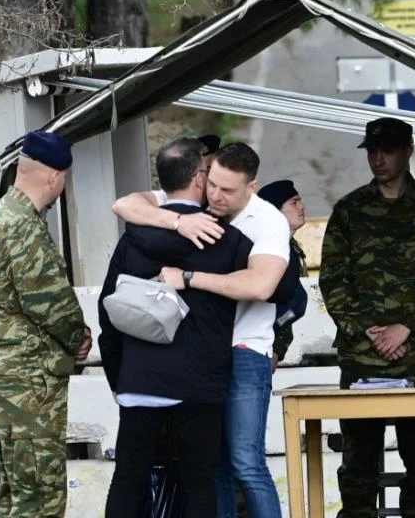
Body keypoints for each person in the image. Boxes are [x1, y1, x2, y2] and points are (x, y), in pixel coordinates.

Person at [114, 142, 298, 518]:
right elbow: (124, 205)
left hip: (246, 348)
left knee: (246, 462)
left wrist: (190, 278)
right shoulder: (197, 203)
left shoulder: (267, 221)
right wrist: (179, 220)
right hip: (200, 354)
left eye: (227, 190)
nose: (214, 195)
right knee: (212, 468)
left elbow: (261, 286)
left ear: (252, 187)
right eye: (211, 183)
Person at [98, 138, 255, 518]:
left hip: (140, 379)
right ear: (200, 178)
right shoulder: (227, 240)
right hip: (200, 382)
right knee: (200, 480)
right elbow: (275, 289)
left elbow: (108, 312)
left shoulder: (131, 240)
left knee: (128, 478)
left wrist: (119, 377)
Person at [319, 117, 415, 518]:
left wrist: (407, 329)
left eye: (386, 150)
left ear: (407, 152)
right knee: (358, 465)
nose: (377, 159)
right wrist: (367, 331)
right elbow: (333, 279)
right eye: (371, 151)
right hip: (361, 357)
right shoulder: (349, 211)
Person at [0, 130, 93, 518]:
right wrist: (79, 336)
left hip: (10, 371)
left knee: (18, 494)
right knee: (41, 496)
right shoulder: (22, 224)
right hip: (27, 376)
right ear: (55, 177)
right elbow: (48, 300)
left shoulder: (6, 214)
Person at [257, 179, 310, 371]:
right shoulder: (263, 251)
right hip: (256, 347)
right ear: (274, 212)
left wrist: (277, 349)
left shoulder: (290, 248)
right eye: (294, 203)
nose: (302, 207)